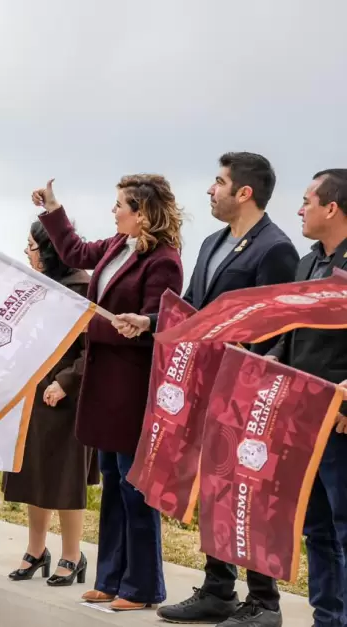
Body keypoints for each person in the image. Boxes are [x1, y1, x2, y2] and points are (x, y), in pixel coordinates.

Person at [115, 153, 298, 627]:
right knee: (215, 489)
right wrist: (150, 322)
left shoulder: (275, 249)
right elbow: (194, 311)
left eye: (219, 182)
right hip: (210, 388)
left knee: (247, 496)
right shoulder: (213, 243)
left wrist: (254, 367)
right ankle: (218, 589)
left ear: (245, 192)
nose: (210, 190)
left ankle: (264, 601)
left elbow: (278, 327)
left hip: (248, 393)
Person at [33, 174, 183, 611]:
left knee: (135, 490)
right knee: (114, 485)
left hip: (132, 389)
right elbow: (75, 252)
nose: (113, 211)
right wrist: (53, 209)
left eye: (120, 205)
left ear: (142, 213)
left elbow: (159, 322)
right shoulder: (119, 245)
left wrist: (94, 324)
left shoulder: (164, 261)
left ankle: (143, 586)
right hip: (105, 387)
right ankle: (111, 578)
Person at [265, 169, 347, 627]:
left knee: (345, 526)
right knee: (317, 528)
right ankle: (328, 618)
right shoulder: (306, 263)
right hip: (303, 414)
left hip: (340, 418)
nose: (299, 210)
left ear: (331, 208)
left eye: (307, 201)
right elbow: (290, 329)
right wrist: (274, 357)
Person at [1, 220, 99, 586]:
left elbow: (92, 349)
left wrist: (65, 382)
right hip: (33, 394)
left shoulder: (82, 287)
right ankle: (36, 550)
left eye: (31, 246)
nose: (27, 252)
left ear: (49, 249)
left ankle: (72, 555)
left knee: (65, 481)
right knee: (34, 476)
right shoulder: (36, 286)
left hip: (66, 399)